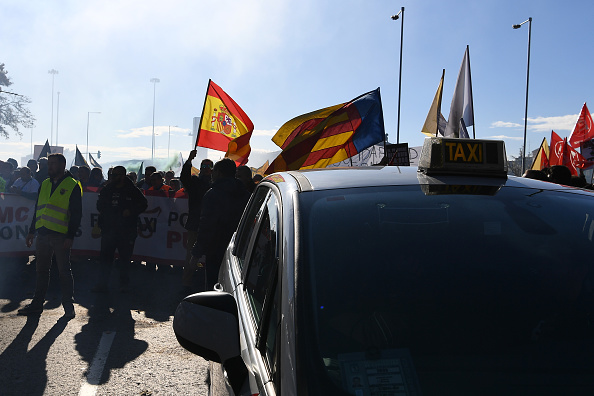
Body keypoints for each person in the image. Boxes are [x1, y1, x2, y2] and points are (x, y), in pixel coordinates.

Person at [18, 153, 82, 318]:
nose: (50, 166)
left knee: (64, 271)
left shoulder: (72, 185)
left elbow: (76, 214)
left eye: (53, 164)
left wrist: (70, 236)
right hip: (43, 233)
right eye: (49, 163)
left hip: (60, 235)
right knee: (41, 270)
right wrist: (32, 231)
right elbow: (38, 208)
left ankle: (68, 305)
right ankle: (37, 304)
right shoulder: (45, 183)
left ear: (62, 165)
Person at [190, 158, 250, 290]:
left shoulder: (213, 194)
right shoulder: (246, 195)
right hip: (239, 250)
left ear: (219, 173)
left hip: (216, 250)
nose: (211, 173)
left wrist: (196, 254)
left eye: (214, 170)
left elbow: (207, 226)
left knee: (213, 288)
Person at [92, 166, 148, 293]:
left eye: (115, 175)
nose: (112, 177)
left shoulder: (132, 190)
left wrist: (131, 211)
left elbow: (143, 204)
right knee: (105, 259)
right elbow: (99, 204)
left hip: (126, 230)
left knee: (124, 259)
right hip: (109, 229)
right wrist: (106, 213)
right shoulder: (107, 189)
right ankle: (102, 284)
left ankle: (124, 284)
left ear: (122, 176)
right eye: (111, 175)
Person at [180, 151, 213, 293]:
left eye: (209, 166)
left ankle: (210, 283)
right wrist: (189, 161)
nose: (206, 168)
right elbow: (184, 177)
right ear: (200, 167)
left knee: (212, 255)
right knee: (191, 254)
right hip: (195, 223)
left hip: (212, 224)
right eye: (204, 166)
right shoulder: (194, 182)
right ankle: (186, 283)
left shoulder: (215, 183)